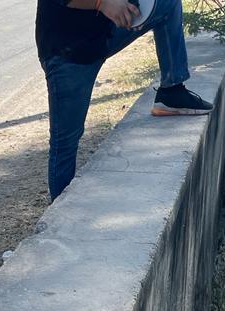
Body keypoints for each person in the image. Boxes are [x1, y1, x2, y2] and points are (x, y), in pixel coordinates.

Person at [36, 0, 213, 200]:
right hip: (66, 53)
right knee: (65, 143)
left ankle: (172, 91)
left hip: (102, 35)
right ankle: (60, 211)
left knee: (168, 4)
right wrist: (101, 3)